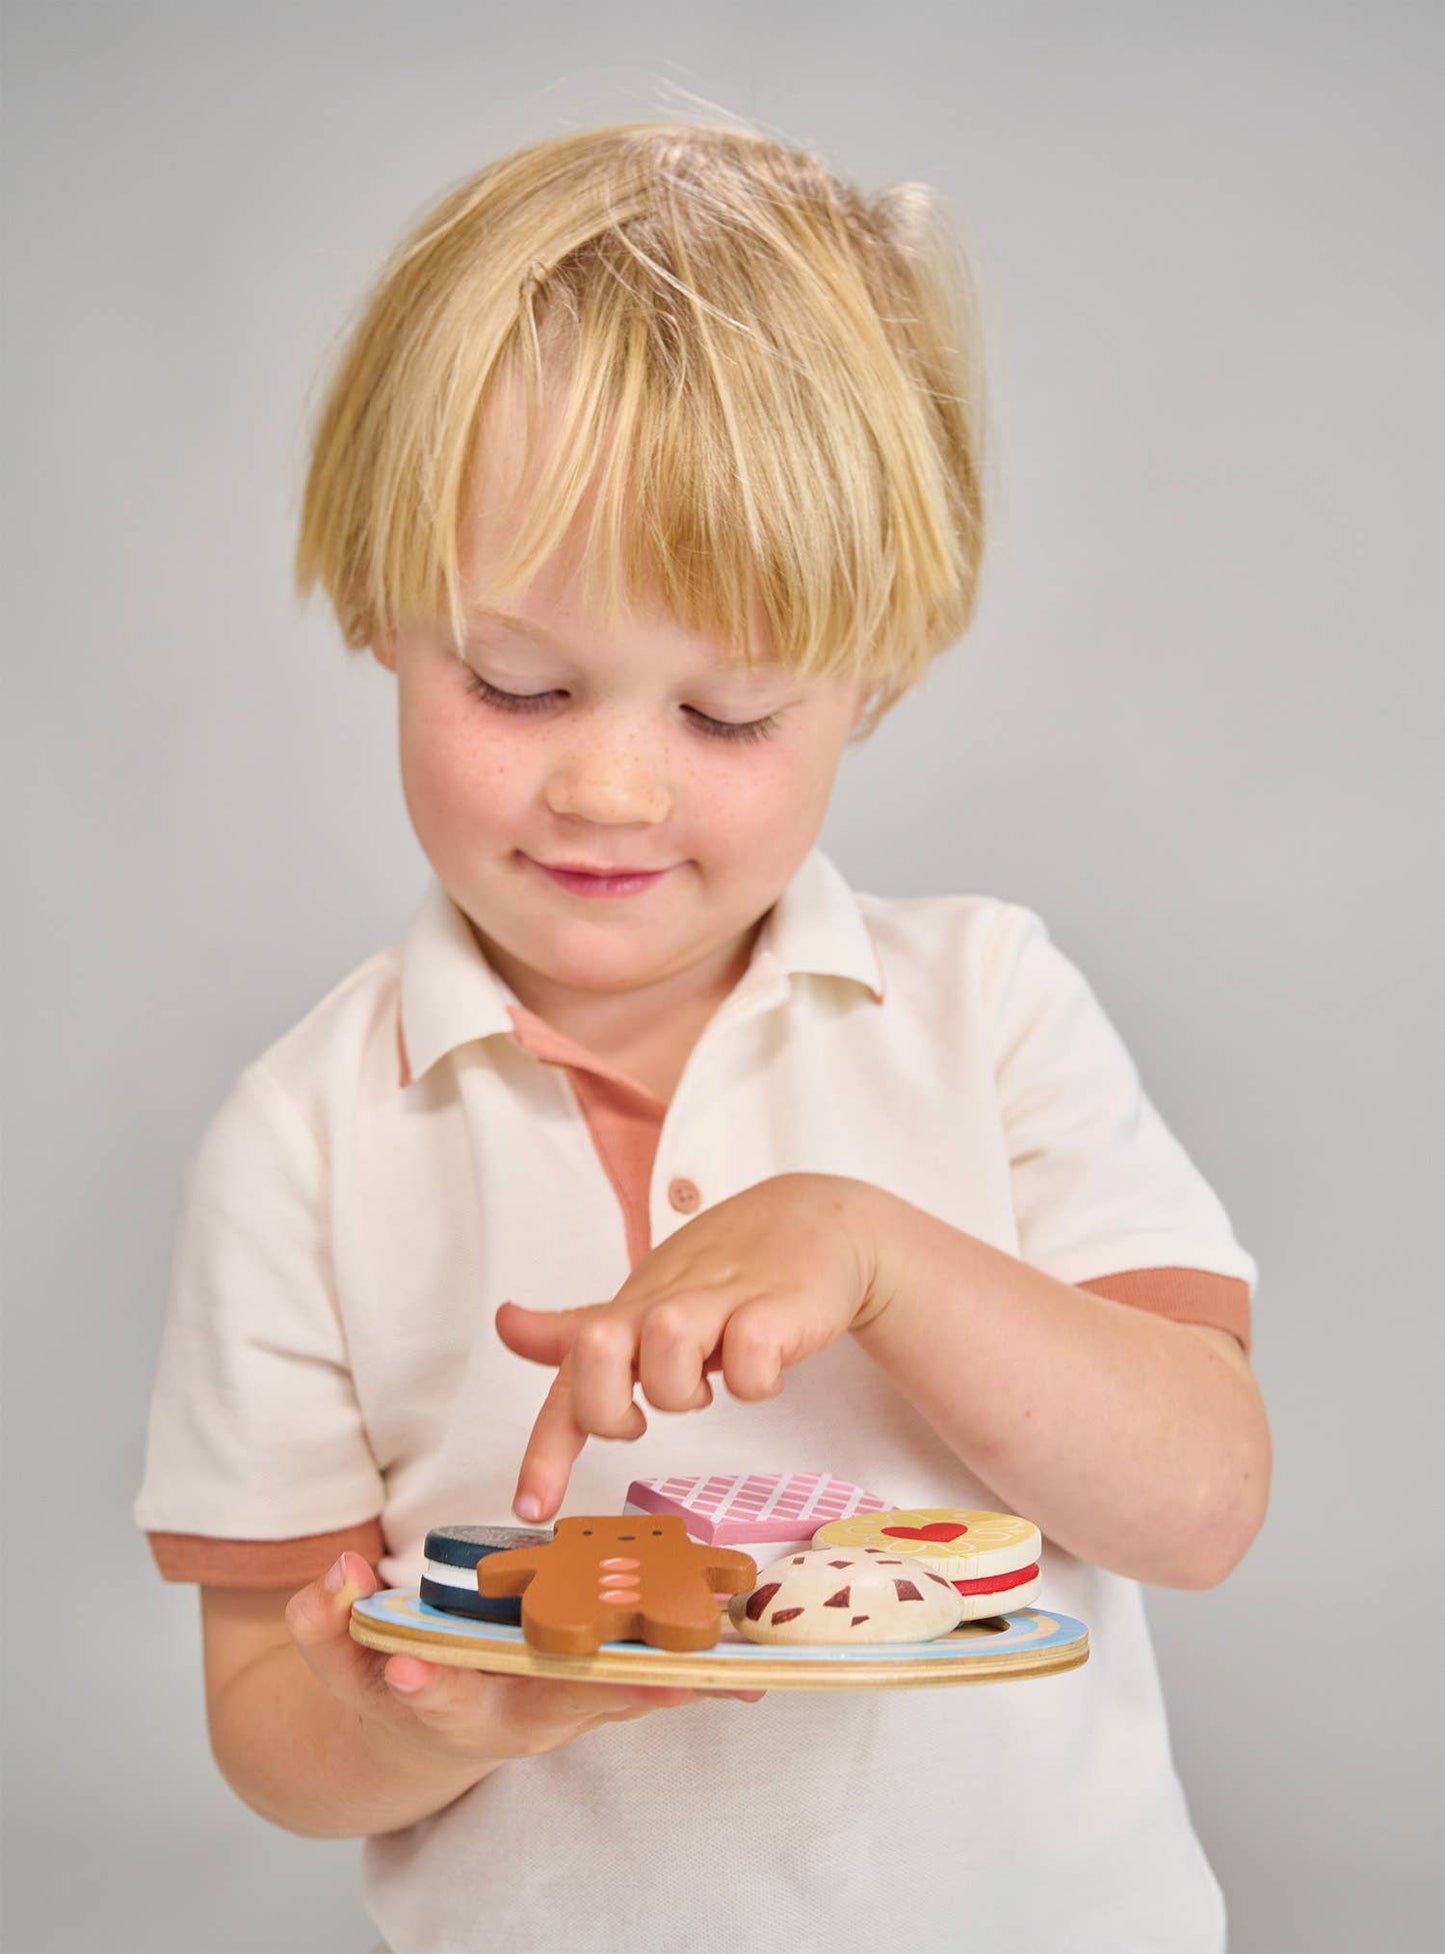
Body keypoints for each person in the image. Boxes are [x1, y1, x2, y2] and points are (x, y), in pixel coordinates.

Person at [134, 118, 1271, 1953]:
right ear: (378, 609)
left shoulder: (984, 1005)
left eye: (730, 709)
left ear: (869, 683)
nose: (608, 780)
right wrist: (408, 1714)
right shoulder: (306, 1137)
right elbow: (265, 1722)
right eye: (517, 682)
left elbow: (1203, 1499)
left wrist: (879, 1252)